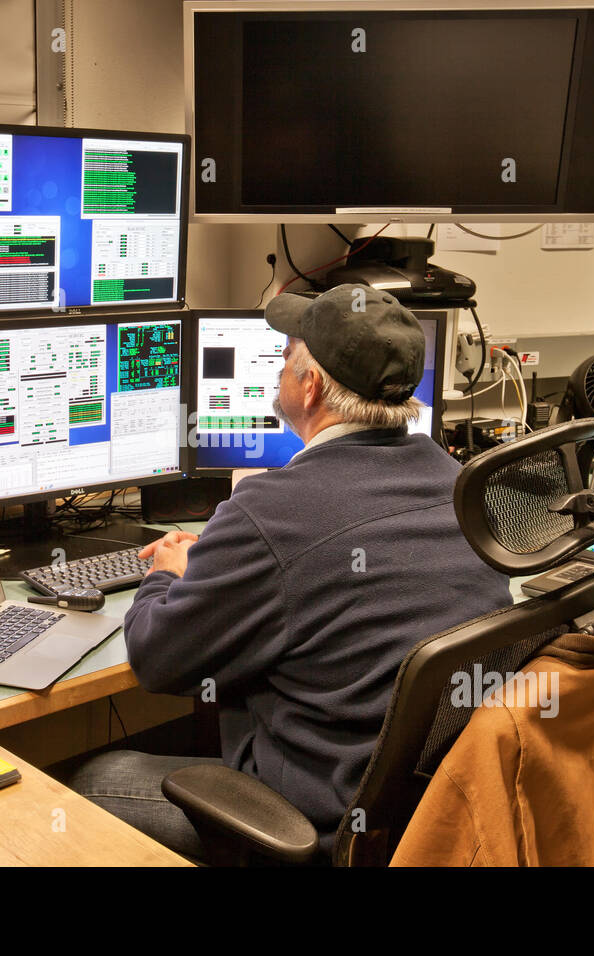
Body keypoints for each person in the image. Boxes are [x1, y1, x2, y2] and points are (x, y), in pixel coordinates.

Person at [65, 284, 513, 860]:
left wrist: (169, 573)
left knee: (95, 780)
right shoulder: (465, 487)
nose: (278, 370)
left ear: (312, 386)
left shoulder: (269, 511)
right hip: (435, 817)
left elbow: (156, 658)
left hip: (318, 823)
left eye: (284, 356)